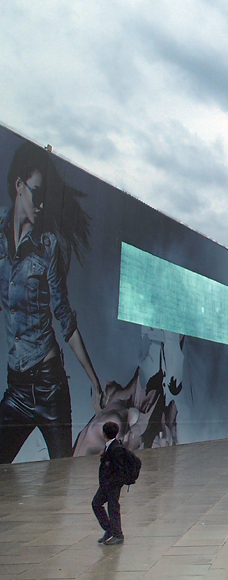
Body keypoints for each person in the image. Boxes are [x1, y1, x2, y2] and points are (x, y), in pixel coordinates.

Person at [0, 142, 101, 463]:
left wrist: (95, 383)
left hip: (50, 388)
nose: (41, 204)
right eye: (36, 193)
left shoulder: (47, 247)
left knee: (62, 480)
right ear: (19, 186)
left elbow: (65, 321)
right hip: (15, 387)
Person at [92, 421, 129, 545]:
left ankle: (118, 534)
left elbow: (119, 469)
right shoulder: (111, 446)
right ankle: (110, 529)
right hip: (106, 484)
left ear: (103, 433)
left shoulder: (115, 448)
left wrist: (114, 484)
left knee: (113, 507)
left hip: (112, 484)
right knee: (96, 504)